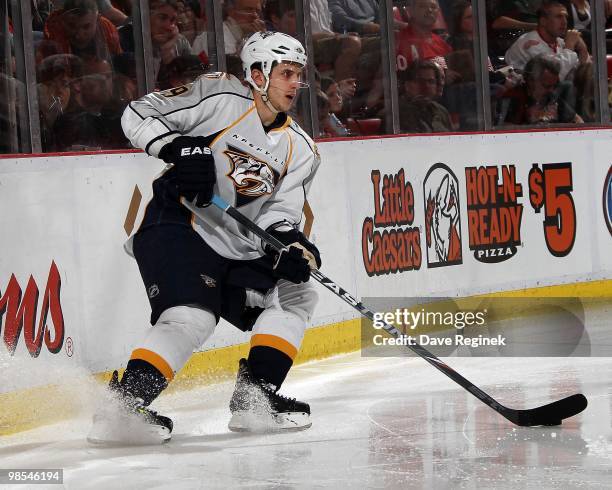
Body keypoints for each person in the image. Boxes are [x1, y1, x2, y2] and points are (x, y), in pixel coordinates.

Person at [87, 31, 321, 444]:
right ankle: (123, 408)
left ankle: (257, 399)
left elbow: (281, 214)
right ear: (256, 73)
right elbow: (137, 113)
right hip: (179, 223)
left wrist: (290, 248)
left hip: (238, 243)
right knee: (191, 315)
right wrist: (177, 148)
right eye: (286, 73)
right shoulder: (219, 96)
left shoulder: (300, 148)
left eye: (298, 75)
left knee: (297, 292)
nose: (294, 84)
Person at [504, 0, 590, 81]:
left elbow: (576, 75)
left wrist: (583, 50)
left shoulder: (559, 42)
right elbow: (555, 77)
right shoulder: (530, 43)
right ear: (543, 21)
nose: (564, 22)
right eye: (559, 17)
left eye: (566, 17)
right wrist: (570, 47)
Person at [499, 54, 583, 125]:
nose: (551, 90)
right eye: (546, 86)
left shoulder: (551, 96)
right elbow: (504, 131)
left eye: (554, 86)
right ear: (530, 80)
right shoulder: (513, 96)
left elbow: (577, 120)